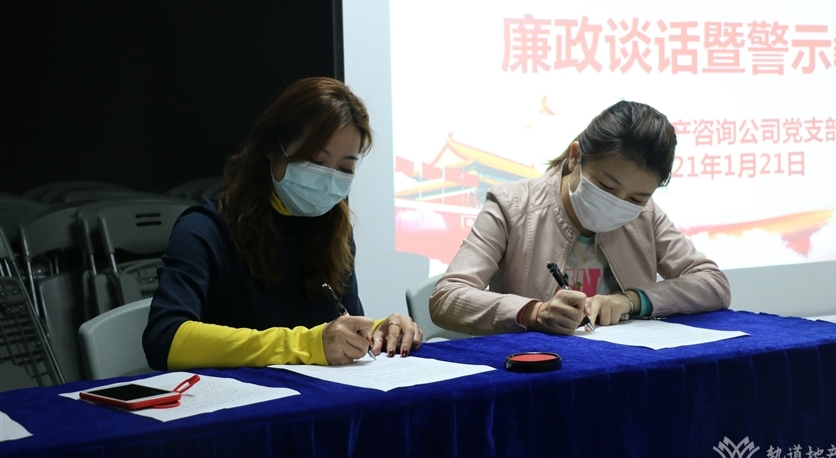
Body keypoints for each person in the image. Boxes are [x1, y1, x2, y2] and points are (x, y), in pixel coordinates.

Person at [143, 77, 422, 369]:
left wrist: (379, 330)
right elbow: (165, 338)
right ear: (271, 149)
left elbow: (343, 326)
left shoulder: (334, 229)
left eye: (345, 168)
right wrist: (306, 345)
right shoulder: (204, 229)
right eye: (316, 162)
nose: (328, 180)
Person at [430, 100, 730, 336]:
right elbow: (447, 297)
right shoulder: (512, 206)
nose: (618, 204)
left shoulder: (646, 215)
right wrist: (535, 312)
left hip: (623, 366)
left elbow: (712, 284)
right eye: (606, 186)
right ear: (575, 157)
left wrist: (630, 300)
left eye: (636, 199)